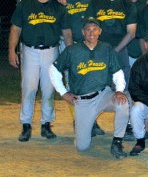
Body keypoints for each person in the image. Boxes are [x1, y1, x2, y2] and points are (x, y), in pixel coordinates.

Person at [48, 17, 129, 159]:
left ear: (100, 31)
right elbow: (53, 70)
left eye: (94, 29)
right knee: (82, 147)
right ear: (83, 32)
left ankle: (117, 142)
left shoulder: (106, 48)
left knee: (123, 102)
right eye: (88, 29)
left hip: (103, 94)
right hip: (83, 101)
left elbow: (117, 72)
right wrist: (63, 93)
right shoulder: (72, 50)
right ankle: (87, 125)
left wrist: (119, 90)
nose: (91, 32)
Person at [8, 0, 72, 142]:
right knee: (28, 88)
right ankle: (26, 125)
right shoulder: (25, 5)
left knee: (49, 89)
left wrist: (70, 54)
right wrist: (11, 50)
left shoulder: (58, 7)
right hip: (30, 50)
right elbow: (15, 29)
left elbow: (67, 33)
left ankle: (46, 125)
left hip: (52, 51)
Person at [53, 0, 105, 137]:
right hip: (68, 44)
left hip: (90, 44)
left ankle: (92, 120)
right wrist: (56, 2)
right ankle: (80, 120)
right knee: (73, 83)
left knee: (91, 81)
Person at [85, 0, 137, 84]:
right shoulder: (95, 3)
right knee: (99, 84)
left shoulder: (128, 4)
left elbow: (131, 32)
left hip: (121, 49)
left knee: (122, 85)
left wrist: (116, 50)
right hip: (99, 49)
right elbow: (89, 30)